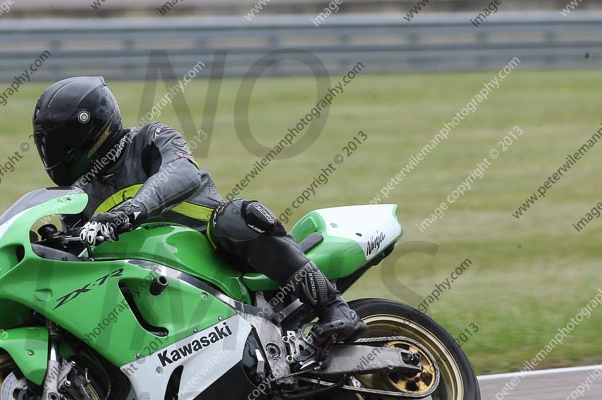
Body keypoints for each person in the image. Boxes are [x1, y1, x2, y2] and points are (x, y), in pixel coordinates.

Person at [32, 76, 366, 341]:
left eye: (58, 142)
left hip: (212, 249)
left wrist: (129, 212)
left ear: (91, 131)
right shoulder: (77, 194)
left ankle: (333, 306)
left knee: (237, 217)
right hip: (149, 281)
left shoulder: (149, 138)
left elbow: (183, 172)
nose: (53, 152)